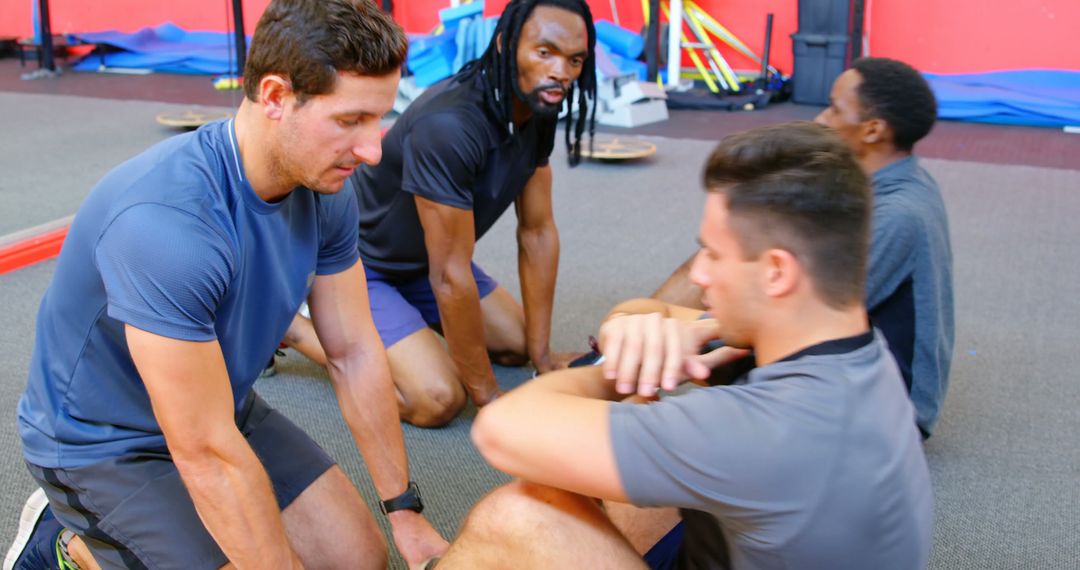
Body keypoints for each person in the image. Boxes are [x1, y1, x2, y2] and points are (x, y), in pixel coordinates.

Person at [5, 1, 448, 568]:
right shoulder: (167, 224)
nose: (373, 149)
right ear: (274, 96)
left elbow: (354, 352)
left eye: (378, 118)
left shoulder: (327, 183)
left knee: (359, 561)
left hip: (220, 408)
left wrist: (404, 511)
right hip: (105, 446)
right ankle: (65, 543)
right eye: (349, 120)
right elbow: (206, 454)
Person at [429, 122, 934, 569]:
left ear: (777, 271)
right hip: (756, 534)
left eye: (713, 253)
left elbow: (501, 430)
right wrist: (652, 331)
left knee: (517, 515)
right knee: (606, 457)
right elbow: (627, 317)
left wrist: (613, 369)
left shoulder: (760, 429)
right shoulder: (854, 349)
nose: (699, 273)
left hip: (766, 478)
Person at [280, 0, 599, 428]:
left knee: (517, 344)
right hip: (358, 262)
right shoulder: (450, 125)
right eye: (545, 53)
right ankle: (296, 329)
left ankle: (401, 331)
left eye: (574, 59)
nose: (561, 71)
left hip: (424, 260)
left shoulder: (535, 106)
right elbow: (449, 276)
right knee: (437, 398)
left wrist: (542, 358)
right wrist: (488, 398)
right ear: (506, 44)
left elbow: (537, 234)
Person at [651, 57, 954, 438]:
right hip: (833, 366)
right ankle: (618, 358)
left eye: (834, 108)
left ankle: (621, 364)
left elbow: (804, 317)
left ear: (873, 130)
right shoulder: (879, 185)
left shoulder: (897, 214)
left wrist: (690, 333)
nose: (820, 119)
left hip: (890, 408)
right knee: (723, 254)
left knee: (721, 289)